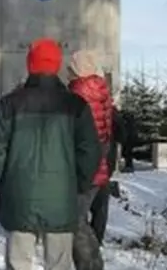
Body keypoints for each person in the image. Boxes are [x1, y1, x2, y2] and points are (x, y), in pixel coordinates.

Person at [0, 38, 101, 270]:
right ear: (57, 65)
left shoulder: (9, 103)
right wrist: (77, 184)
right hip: (61, 195)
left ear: (30, 65)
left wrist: (5, 182)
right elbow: (90, 151)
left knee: (19, 263)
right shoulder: (75, 105)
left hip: (19, 194)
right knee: (59, 263)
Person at [68, 54, 115, 269]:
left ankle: (90, 265)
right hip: (100, 162)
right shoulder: (103, 91)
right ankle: (94, 261)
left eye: (71, 68)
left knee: (74, 221)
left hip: (82, 165)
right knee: (86, 217)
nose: (67, 72)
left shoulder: (77, 92)